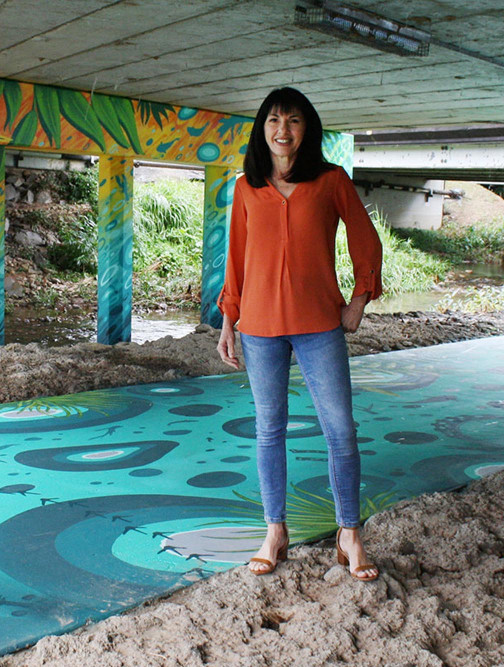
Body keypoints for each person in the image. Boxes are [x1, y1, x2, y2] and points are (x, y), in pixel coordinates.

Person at [216, 87, 382, 581]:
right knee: (269, 431)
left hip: (319, 326)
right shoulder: (247, 186)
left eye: (292, 120)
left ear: (306, 128)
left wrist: (358, 299)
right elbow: (237, 259)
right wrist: (228, 320)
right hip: (260, 329)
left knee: (340, 430)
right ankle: (275, 531)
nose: (282, 130)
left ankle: (349, 533)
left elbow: (365, 237)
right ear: (262, 129)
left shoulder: (331, 181)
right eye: (273, 120)